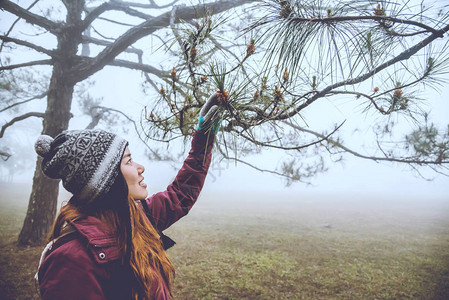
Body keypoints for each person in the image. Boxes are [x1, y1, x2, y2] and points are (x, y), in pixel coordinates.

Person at [34, 95, 220, 300]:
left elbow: (181, 193)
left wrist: (203, 139)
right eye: (128, 161)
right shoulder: (70, 260)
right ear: (106, 181)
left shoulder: (137, 216)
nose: (141, 168)